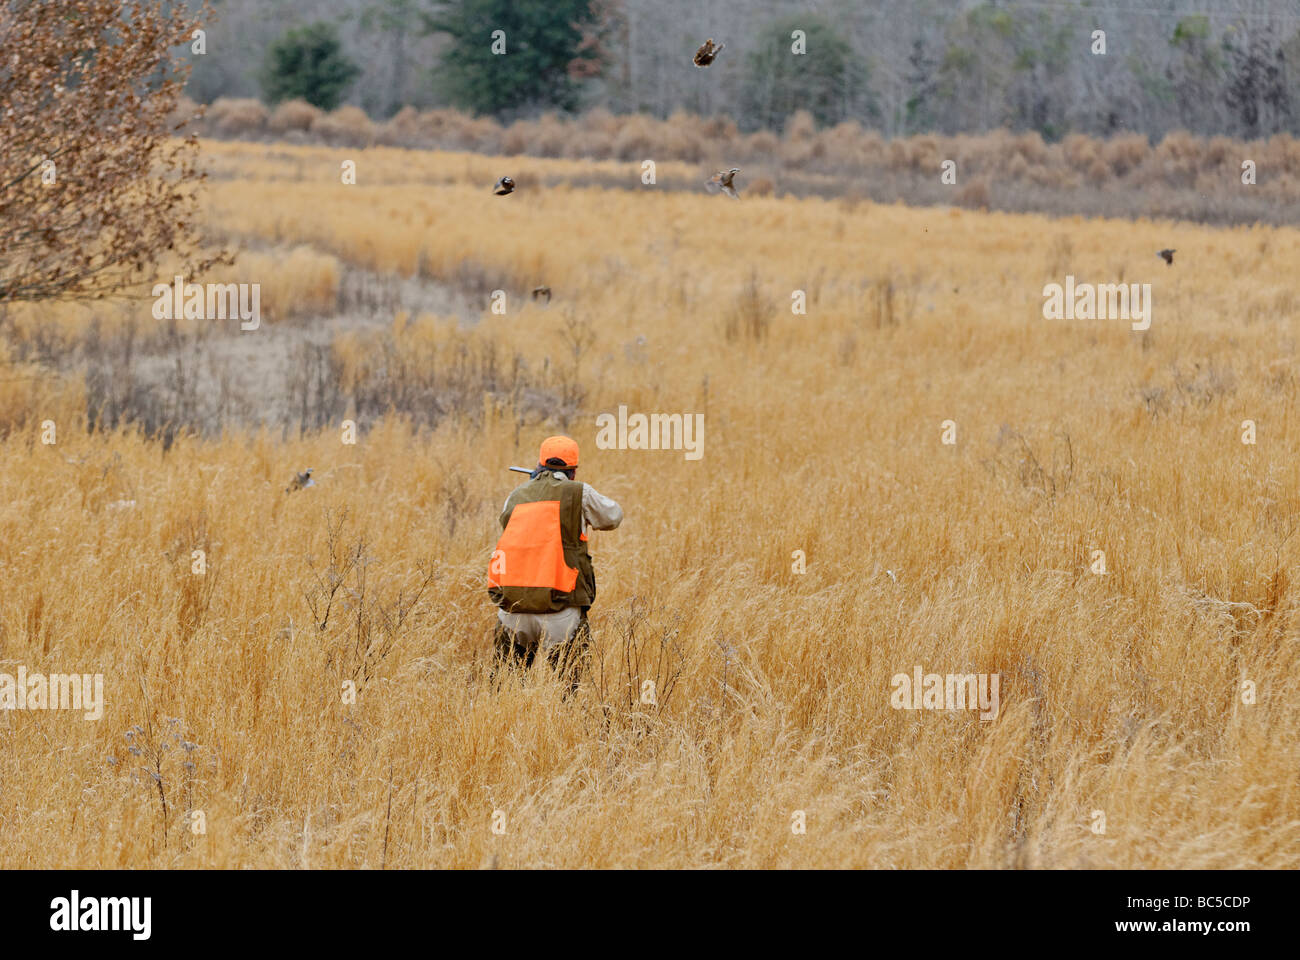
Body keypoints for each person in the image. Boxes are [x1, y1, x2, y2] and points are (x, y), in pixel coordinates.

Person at [487, 436, 622, 692]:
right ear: (573, 471)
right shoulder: (578, 491)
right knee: (566, 693)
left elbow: (505, 524)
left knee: (506, 689)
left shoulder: (515, 496)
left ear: (539, 465)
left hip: (513, 611)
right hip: (561, 611)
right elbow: (613, 517)